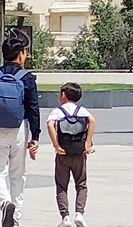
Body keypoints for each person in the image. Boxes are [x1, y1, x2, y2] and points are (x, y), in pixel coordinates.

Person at [0, 34, 40, 227]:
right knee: (17, 175)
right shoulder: (27, 78)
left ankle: (4, 203)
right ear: (20, 54)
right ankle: (15, 217)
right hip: (19, 129)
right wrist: (35, 136)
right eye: (25, 52)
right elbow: (33, 108)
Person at [47, 82, 96, 227]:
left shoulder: (58, 111)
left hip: (63, 152)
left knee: (62, 186)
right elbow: (92, 120)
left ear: (63, 95)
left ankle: (65, 217)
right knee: (81, 184)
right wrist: (88, 141)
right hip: (79, 152)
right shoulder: (82, 110)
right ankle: (79, 214)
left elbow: (50, 124)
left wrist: (56, 145)